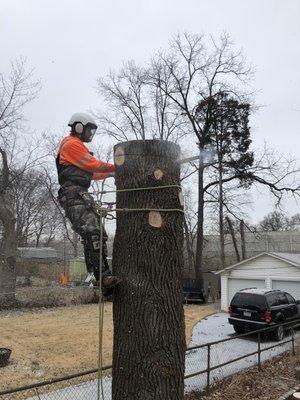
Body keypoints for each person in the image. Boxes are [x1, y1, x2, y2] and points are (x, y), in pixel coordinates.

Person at [56, 112, 121, 291]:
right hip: (74, 195)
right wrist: (118, 167)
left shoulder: (73, 147)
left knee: (95, 233)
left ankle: (97, 274)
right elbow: (92, 164)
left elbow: (92, 173)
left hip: (78, 194)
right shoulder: (72, 144)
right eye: (88, 130)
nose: (90, 135)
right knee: (93, 232)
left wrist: (111, 173)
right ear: (78, 127)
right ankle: (102, 277)